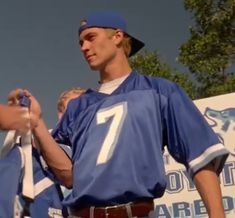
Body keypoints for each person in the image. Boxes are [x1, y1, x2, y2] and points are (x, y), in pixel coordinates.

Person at [9, 11, 229, 218]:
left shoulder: (159, 91)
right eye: (81, 42)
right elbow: (68, 177)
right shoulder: (78, 107)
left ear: (117, 36)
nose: (84, 47)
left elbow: (200, 160)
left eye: (91, 37)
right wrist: (36, 123)